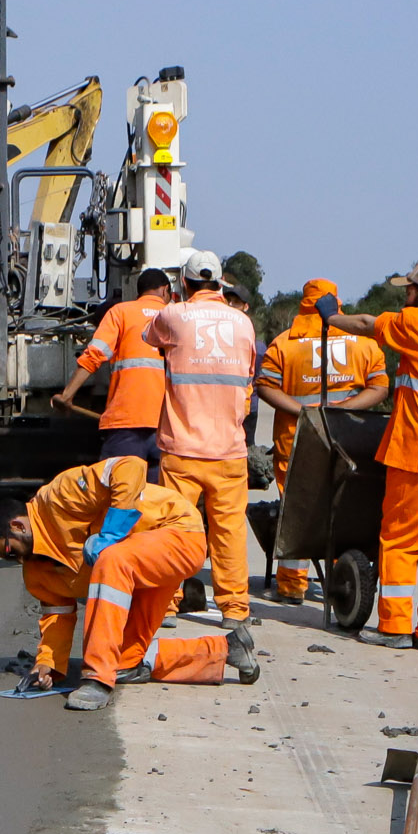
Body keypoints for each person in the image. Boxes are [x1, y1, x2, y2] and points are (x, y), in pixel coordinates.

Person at [0, 455, 258, 708]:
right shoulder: (37, 572)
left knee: (111, 558)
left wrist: (111, 532)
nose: (17, 560)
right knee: (123, 661)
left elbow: (129, 466)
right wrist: (47, 663)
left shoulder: (60, 496)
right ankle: (228, 649)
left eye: (10, 551)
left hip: (176, 531)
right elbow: (57, 616)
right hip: (140, 571)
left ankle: (97, 678)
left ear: (18, 526)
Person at [313, 261, 418, 649]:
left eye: (408, 290)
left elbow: (366, 324)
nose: (404, 297)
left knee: (401, 539)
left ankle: (394, 627)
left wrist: (332, 317)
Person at [251, 276, 388, 601]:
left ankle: (292, 585)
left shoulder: (284, 343)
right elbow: (380, 387)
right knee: (346, 507)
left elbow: (265, 386)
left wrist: (302, 412)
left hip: (297, 441)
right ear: (335, 303)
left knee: (297, 509)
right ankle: (341, 579)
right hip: (349, 439)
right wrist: (343, 410)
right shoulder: (363, 344)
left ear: (304, 304)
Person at [143, 250, 261, 623]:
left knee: (174, 528)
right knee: (229, 532)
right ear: (221, 283)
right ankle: (235, 609)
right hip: (229, 449)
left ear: (184, 282)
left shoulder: (173, 315)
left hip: (182, 449)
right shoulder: (243, 323)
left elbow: (150, 337)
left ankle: (167, 603)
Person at [53, 268, 171, 473]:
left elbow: (94, 355)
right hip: (167, 426)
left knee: (118, 489)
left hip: (125, 423)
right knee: (159, 492)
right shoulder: (177, 317)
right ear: (164, 290)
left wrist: (66, 395)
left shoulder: (120, 313)